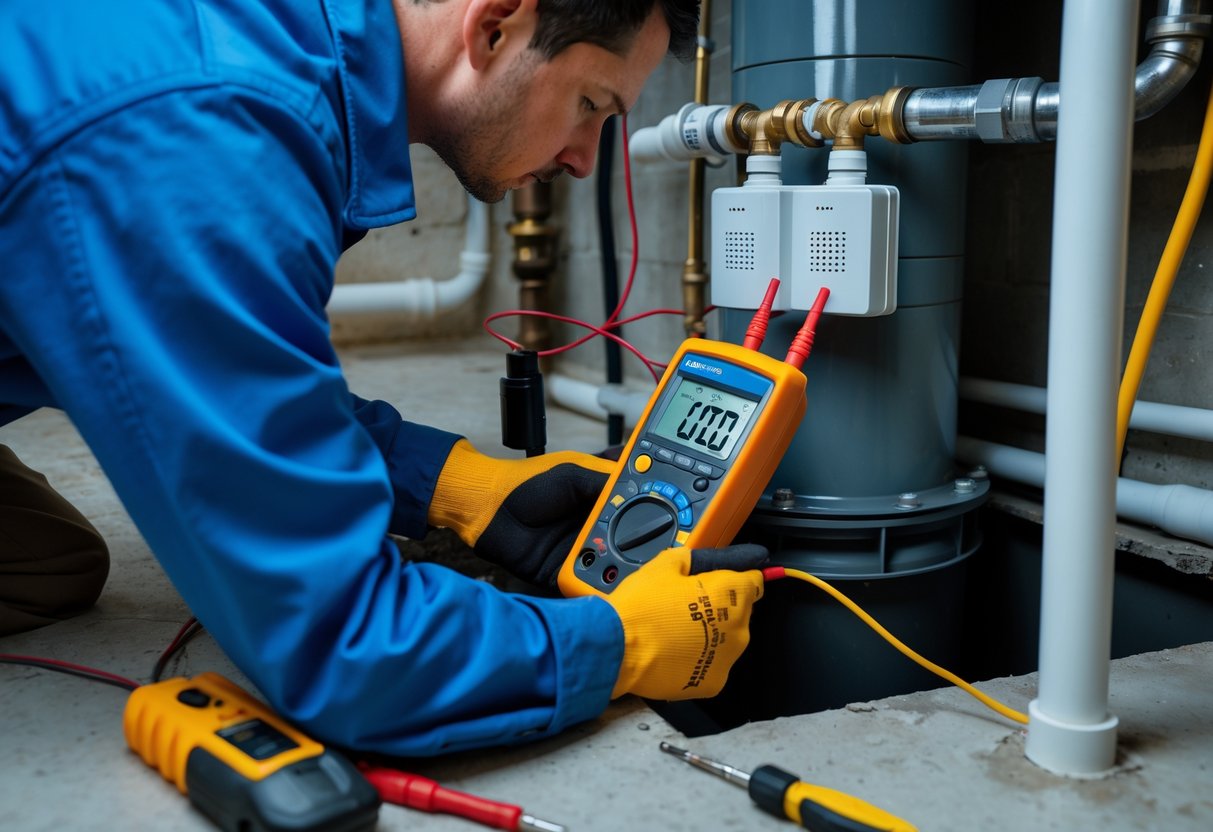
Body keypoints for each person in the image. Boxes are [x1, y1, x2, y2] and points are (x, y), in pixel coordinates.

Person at [0, 0, 766, 755]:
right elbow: (346, 646)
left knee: (51, 565)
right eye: (590, 104)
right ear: (495, 26)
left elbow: (229, 373)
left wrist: (457, 486)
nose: (583, 159)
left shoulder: (272, 51)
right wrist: (621, 643)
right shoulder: (203, 135)